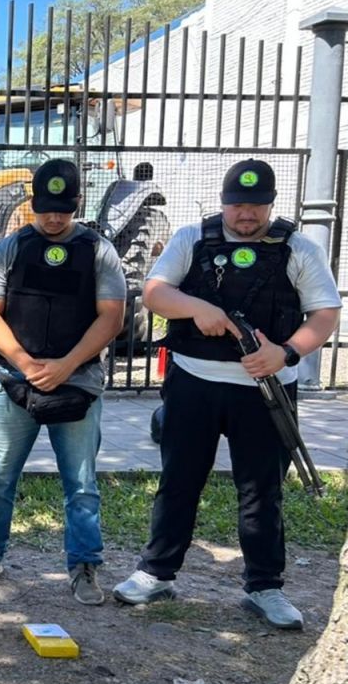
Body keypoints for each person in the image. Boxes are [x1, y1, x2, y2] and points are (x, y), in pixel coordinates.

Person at [113, 159, 341, 629]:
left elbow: (325, 313)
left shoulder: (297, 247)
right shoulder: (192, 238)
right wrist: (196, 308)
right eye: (238, 205)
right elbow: (154, 292)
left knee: (262, 491)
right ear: (224, 202)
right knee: (178, 481)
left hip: (266, 390)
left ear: (270, 205)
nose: (246, 215)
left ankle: (265, 587)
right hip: (194, 383)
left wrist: (285, 353)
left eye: (256, 206)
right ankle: (156, 572)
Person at [0, 158, 126, 605]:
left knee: (82, 484)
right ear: (33, 202)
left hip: (78, 383)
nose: (54, 218)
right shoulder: (10, 248)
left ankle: (84, 565)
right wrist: (24, 362)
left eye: (64, 209)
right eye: (46, 208)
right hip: (14, 382)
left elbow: (112, 317)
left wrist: (66, 365)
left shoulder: (98, 250)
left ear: (78, 203)